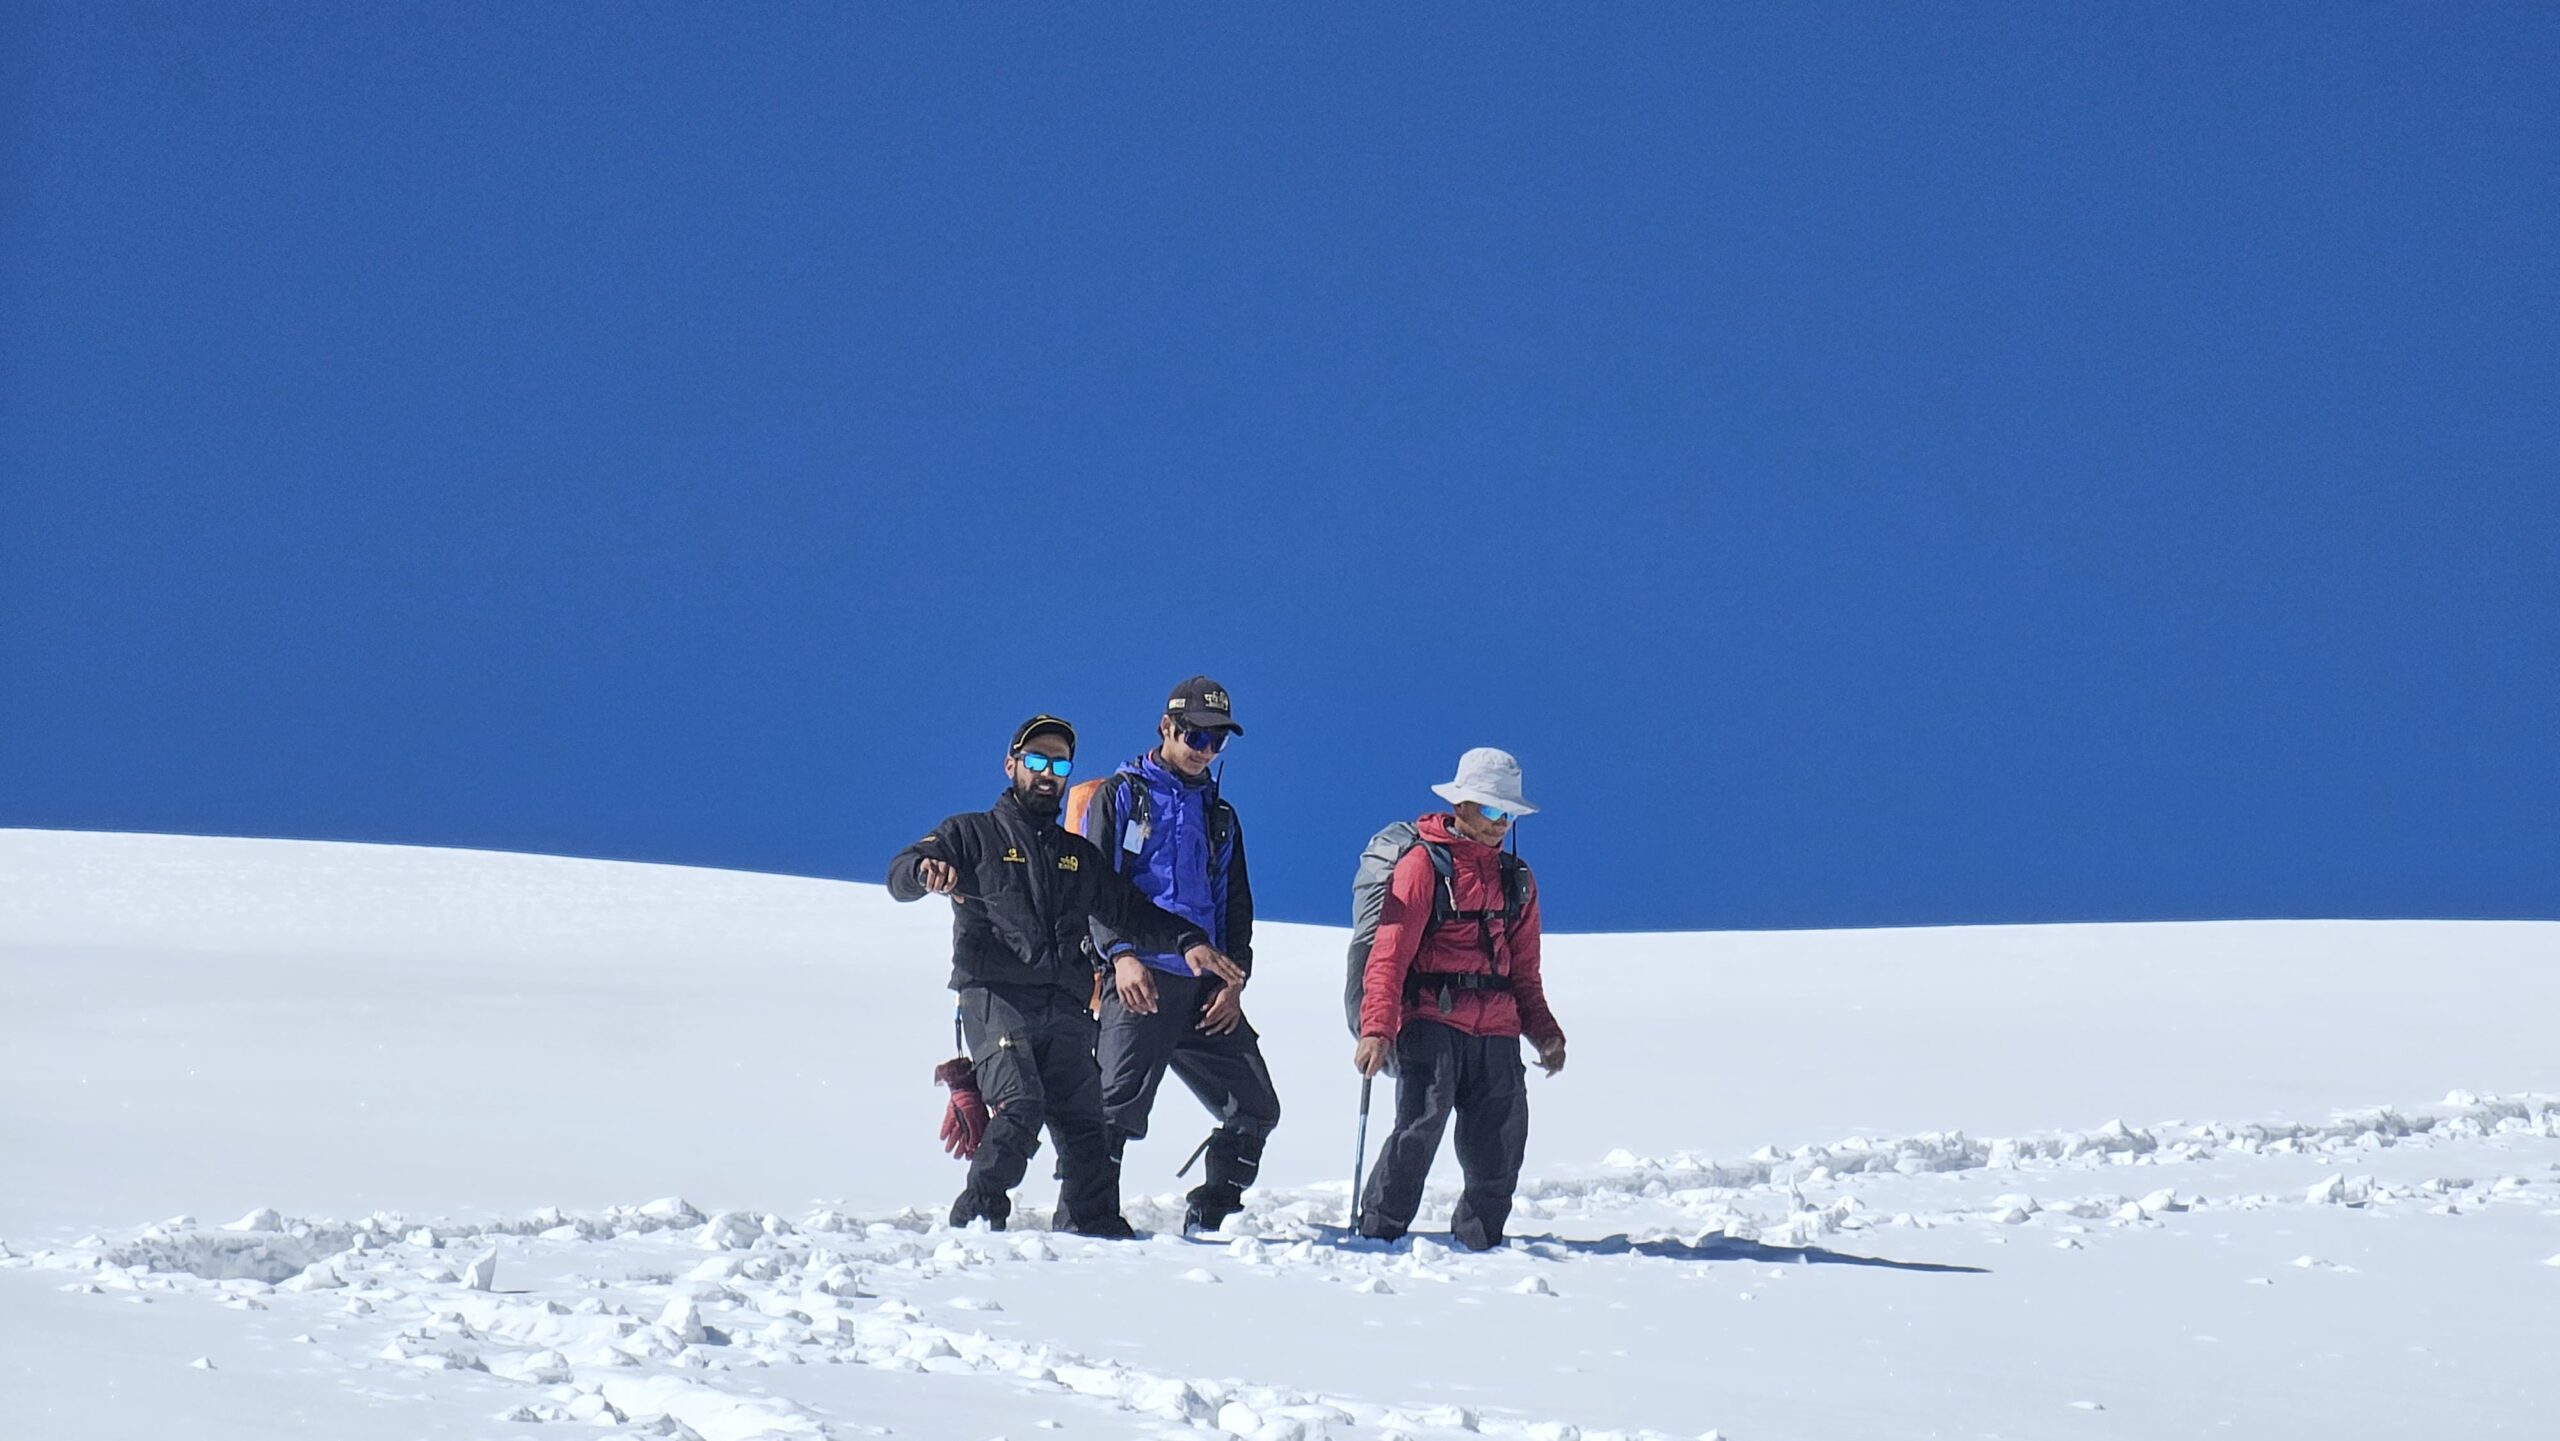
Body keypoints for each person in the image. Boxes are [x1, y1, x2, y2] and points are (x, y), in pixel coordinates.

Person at [889, 713, 1244, 1236]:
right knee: (1022, 1105)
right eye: (1036, 760)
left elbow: (1132, 911)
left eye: (1058, 763)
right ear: (1011, 766)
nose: (1047, 772)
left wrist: (1189, 941)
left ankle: (1092, 1231)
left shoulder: (1076, 857)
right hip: (996, 996)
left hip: (1066, 1008)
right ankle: (978, 1218)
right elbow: (903, 871)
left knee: (1088, 1130)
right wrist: (924, 872)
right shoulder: (971, 834)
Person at [1076, 676, 1279, 1233]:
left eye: (1217, 741)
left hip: (1204, 990)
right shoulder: (1119, 796)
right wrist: (1118, 954)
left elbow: (1235, 909)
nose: (1205, 751)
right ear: (1166, 728)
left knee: (1256, 1107)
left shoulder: (1221, 818)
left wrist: (1234, 982)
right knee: (1113, 1109)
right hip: (1138, 979)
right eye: (1195, 736)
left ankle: (1213, 1214)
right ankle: (1085, 1223)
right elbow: (1094, 887)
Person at [1351, 747, 1566, 1250]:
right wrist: (1377, 1029)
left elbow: (1525, 972)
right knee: (1418, 1130)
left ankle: (1480, 1243)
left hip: (1497, 1030)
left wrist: (1546, 1033)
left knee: (1501, 1142)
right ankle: (1378, 1234)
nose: (1500, 823)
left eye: (1507, 813)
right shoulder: (1424, 866)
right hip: (1432, 1020)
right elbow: (1389, 954)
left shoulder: (1518, 880)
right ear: (1462, 806)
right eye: (1492, 810)